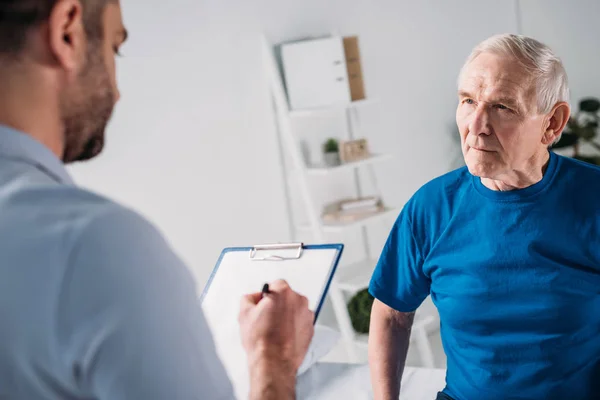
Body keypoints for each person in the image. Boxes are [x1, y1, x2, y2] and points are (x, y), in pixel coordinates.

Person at [0, 1, 314, 399]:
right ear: (68, 31)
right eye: (115, 49)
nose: (116, 92)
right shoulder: (95, 247)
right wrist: (274, 357)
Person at [368, 33, 600, 400]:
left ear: (552, 124)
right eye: (468, 101)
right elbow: (391, 314)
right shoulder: (431, 207)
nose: (476, 125)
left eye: (503, 107)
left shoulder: (593, 200)